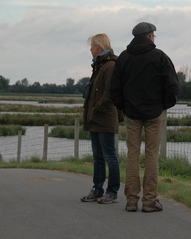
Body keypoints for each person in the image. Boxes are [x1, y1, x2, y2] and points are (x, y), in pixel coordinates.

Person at [110, 22, 179, 212]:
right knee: (151, 156)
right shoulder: (160, 57)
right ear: (150, 36)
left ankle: (131, 200)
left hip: (131, 114)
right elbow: (172, 86)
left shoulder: (124, 58)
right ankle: (149, 201)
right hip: (154, 113)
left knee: (132, 156)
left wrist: (124, 107)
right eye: (153, 36)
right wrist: (163, 105)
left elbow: (114, 88)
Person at [80, 33, 120, 204]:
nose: (90, 49)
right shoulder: (99, 66)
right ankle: (97, 189)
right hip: (95, 118)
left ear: (98, 47)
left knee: (109, 156)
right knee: (97, 156)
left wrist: (96, 109)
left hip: (104, 118)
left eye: (92, 46)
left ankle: (112, 191)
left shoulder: (110, 66)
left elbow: (109, 94)